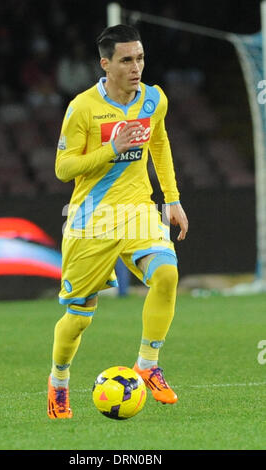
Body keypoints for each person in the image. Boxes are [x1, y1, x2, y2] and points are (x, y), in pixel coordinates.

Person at [47, 24, 188, 419]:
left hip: (138, 209)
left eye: (140, 58)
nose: (136, 66)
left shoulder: (153, 100)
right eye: (126, 60)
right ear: (105, 64)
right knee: (78, 318)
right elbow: (63, 168)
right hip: (92, 219)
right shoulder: (83, 107)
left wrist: (172, 199)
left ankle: (147, 363)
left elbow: (159, 143)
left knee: (167, 274)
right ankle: (59, 381)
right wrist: (111, 149)